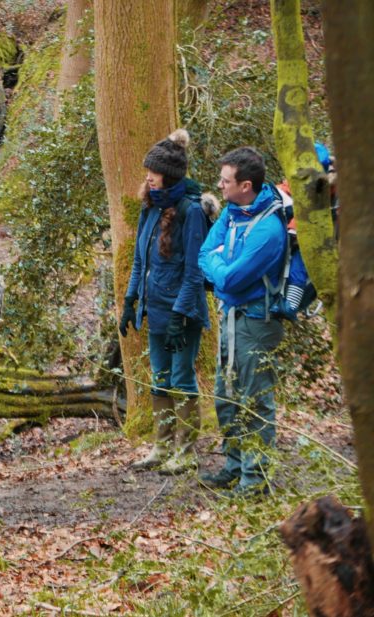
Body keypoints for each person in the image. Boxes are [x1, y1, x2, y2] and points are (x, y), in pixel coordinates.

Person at [119, 129, 210, 475]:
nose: (147, 177)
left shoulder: (191, 212)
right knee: (159, 378)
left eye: (152, 173)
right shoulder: (151, 208)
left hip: (181, 313)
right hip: (153, 309)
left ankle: (186, 452)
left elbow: (194, 271)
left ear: (169, 176)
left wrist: (180, 315)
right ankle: (161, 446)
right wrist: (130, 300)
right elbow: (140, 261)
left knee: (182, 379)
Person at [198, 146, 287, 497]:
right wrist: (220, 267)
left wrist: (219, 270)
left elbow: (231, 280)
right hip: (230, 317)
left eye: (225, 180)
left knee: (254, 400)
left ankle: (256, 480)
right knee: (226, 396)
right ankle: (234, 466)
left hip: (255, 322)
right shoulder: (234, 212)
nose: (219, 186)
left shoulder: (269, 231)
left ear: (245, 184)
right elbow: (205, 253)